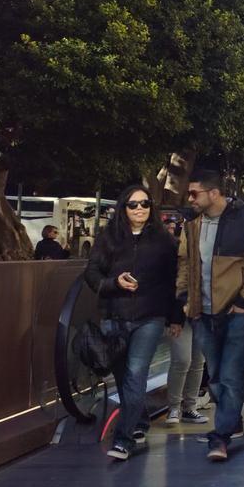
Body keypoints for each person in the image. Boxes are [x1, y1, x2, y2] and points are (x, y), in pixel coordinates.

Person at [178, 170, 244, 462]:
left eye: (195, 193)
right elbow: (185, 263)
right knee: (217, 375)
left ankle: (219, 436)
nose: (190, 198)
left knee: (231, 375)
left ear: (214, 193)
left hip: (238, 313)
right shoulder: (192, 224)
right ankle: (231, 422)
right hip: (202, 313)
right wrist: (184, 299)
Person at [84, 185, 184, 461]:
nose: (140, 209)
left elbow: (176, 282)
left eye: (145, 204)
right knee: (121, 377)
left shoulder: (165, 242)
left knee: (136, 374)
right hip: (113, 317)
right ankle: (139, 421)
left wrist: (176, 317)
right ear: (123, 208)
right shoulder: (109, 238)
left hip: (149, 318)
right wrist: (113, 283)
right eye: (133, 204)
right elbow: (91, 272)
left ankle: (123, 440)